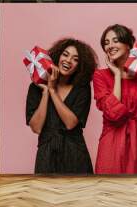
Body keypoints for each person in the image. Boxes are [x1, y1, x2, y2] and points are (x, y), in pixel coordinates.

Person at [26, 38, 97, 174]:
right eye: (65, 54)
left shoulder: (82, 88)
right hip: (46, 154)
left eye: (75, 59)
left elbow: (70, 123)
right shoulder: (35, 87)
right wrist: (46, 91)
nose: (68, 61)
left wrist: (53, 90)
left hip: (75, 154)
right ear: (57, 56)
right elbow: (36, 127)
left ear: (80, 66)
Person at [93, 24, 137, 174]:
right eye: (106, 43)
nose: (110, 46)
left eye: (115, 40)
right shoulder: (100, 76)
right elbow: (113, 113)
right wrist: (116, 75)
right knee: (109, 192)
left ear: (129, 45)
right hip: (112, 142)